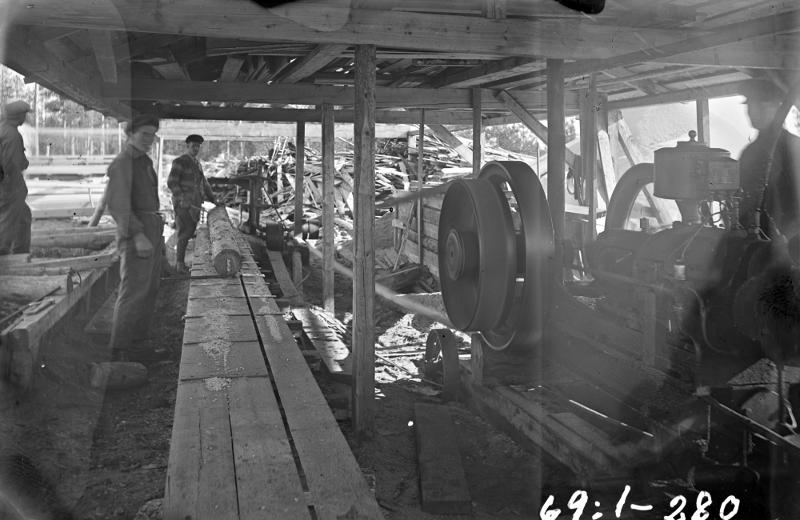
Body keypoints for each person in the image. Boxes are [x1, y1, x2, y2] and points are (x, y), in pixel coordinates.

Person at [106, 114, 164, 359]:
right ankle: (120, 350)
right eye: (144, 134)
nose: (149, 139)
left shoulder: (144, 162)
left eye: (152, 135)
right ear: (129, 134)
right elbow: (118, 205)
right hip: (135, 233)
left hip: (151, 229)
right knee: (133, 291)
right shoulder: (123, 163)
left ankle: (138, 344)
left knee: (148, 289)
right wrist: (138, 235)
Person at [738, 78, 800, 254]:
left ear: (776, 108)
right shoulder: (750, 152)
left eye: (760, 105)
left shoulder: (794, 148)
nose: (751, 112)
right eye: (750, 106)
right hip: (758, 241)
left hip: (791, 244)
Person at [166, 133, 217, 273]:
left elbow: (204, 184)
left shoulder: (197, 164)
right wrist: (182, 198)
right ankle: (179, 264)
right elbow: (172, 182)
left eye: (198, 146)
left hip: (194, 204)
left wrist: (214, 199)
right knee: (185, 232)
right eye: (193, 146)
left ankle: (180, 263)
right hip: (183, 205)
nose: (196, 149)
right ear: (187, 146)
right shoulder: (180, 161)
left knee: (189, 231)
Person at [0, 100, 32, 255]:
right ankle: (2, 253)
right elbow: (11, 164)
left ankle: (21, 252)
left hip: (5, 183)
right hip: (9, 185)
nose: (25, 118)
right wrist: (14, 188)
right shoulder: (12, 135)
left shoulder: (3, 129)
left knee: (24, 218)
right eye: (24, 115)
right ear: (18, 116)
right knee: (7, 220)